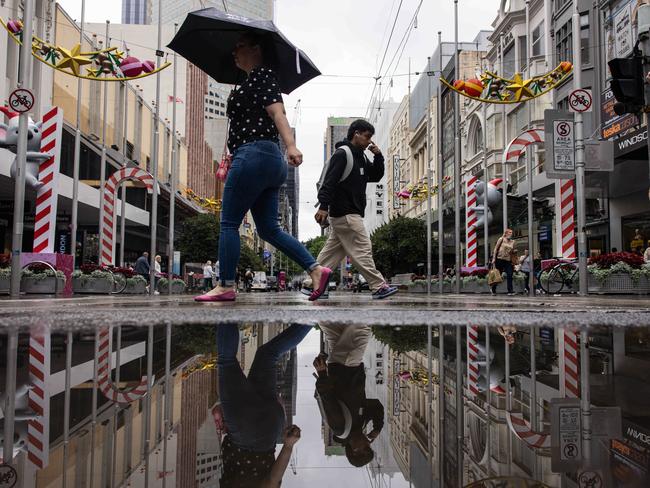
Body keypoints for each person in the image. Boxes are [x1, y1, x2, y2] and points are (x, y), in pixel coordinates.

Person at [194, 32, 331, 302]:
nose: (235, 51)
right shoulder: (249, 81)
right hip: (268, 159)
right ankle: (316, 270)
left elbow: (277, 112)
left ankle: (225, 285)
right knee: (269, 230)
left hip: (253, 154)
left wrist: (291, 145)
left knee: (229, 223)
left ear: (256, 49)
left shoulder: (263, 76)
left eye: (240, 46)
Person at [311, 119, 397, 300]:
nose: (369, 141)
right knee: (363, 248)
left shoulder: (361, 156)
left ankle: (311, 283)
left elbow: (375, 176)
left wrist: (378, 156)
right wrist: (323, 206)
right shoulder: (343, 154)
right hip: (346, 212)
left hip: (348, 214)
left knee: (332, 253)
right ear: (356, 134)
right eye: (367, 137)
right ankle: (378, 286)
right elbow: (329, 182)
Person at [216, 322, 311, 487]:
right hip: (244, 433)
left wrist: (287, 444)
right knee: (226, 360)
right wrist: (288, 447)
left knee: (268, 354)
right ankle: (225, 302)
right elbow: (272, 480)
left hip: (270, 430)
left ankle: (310, 319)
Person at [313, 324, 384, 467]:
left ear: (354, 450)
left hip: (345, 366)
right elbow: (376, 405)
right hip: (348, 366)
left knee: (363, 326)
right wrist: (377, 428)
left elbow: (328, 400)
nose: (367, 443)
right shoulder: (361, 424)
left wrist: (321, 374)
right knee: (328, 322)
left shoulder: (341, 428)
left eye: (365, 448)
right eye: (369, 447)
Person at [491, 229, 516, 295]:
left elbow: (512, 250)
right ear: (506, 233)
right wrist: (494, 258)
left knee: (510, 274)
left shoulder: (512, 241)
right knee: (498, 275)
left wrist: (514, 251)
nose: (511, 233)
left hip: (508, 260)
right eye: (509, 232)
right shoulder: (501, 239)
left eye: (511, 232)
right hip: (499, 259)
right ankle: (493, 289)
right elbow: (496, 248)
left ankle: (510, 291)